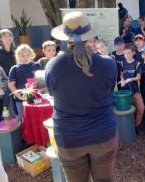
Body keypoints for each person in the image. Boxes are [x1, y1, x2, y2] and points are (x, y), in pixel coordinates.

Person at [46, 11, 118, 182]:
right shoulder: (108, 64)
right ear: (89, 36)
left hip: (69, 137)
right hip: (103, 133)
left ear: (65, 37)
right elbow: (109, 90)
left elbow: (51, 93)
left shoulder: (53, 66)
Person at [8, 44, 41, 119]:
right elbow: (11, 84)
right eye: (23, 55)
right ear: (18, 56)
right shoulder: (15, 68)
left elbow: (42, 81)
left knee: (36, 118)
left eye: (27, 55)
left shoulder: (37, 66)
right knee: (23, 119)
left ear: (31, 54)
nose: (25, 57)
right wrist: (20, 97)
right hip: (21, 100)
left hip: (37, 98)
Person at [120, 43, 145, 130]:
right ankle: (128, 127)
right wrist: (123, 80)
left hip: (135, 90)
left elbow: (139, 77)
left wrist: (130, 79)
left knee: (141, 108)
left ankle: (136, 126)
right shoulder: (122, 63)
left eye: (128, 53)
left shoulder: (137, 63)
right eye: (125, 53)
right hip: (125, 91)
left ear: (133, 53)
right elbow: (121, 74)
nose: (126, 55)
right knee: (128, 109)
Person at [0, 29, 16, 114]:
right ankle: (3, 111)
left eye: (10, 35)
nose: (8, 37)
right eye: (5, 36)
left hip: (14, 79)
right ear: (0, 38)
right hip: (1, 80)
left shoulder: (15, 50)